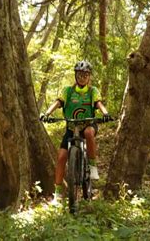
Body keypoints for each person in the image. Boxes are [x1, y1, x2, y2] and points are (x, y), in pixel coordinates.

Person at [40, 60, 111, 201]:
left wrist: (105, 114)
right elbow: (58, 102)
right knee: (61, 157)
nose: (82, 77)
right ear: (75, 75)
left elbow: (99, 104)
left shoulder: (92, 91)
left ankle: (92, 166)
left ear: (89, 76)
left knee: (88, 133)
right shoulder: (68, 91)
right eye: (79, 74)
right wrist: (46, 114)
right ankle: (58, 193)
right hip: (71, 128)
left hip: (88, 125)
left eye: (85, 75)